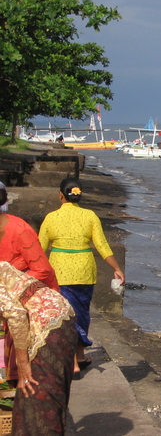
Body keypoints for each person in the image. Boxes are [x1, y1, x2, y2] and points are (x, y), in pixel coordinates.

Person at [38, 177, 125, 371]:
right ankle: (79, 354)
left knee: (65, 315)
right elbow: (102, 246)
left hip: (59, 272)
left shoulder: (51, 218)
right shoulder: (90, 216)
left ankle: (74, 362)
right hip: (84, 271)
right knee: (82, 313)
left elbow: (39, 249)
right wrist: (116, 268)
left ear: (61, 195)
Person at [0, 261, 77, 436]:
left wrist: (22, 363)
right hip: (59, 318)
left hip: (50, 324)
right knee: (33, 395)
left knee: (38, 393)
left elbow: (16, 314)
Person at [0, 181, 61, 385]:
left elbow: (42, 269)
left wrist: (13, 293)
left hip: (25, 302)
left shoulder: (19, 229)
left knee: (24, 369)